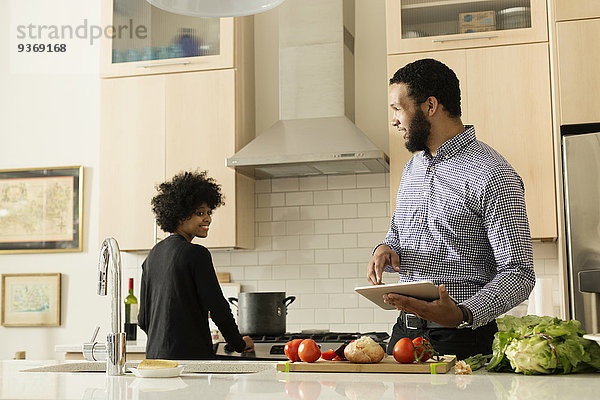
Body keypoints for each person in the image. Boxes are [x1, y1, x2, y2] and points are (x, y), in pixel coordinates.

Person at [368, 58, 535, 359]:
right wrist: (385, 247)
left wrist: (462, 313)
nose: (394, 120)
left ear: (430, 106)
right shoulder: (412, 168)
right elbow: (398, 230)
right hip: (403, 334)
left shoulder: (492, 174)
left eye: (397, 108)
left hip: (462, 339)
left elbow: (520, 273)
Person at [138, 170, 254, 359]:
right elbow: (218, 308)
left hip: (155, 360)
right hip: (190, 360)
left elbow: (143, 319)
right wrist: (239, 343)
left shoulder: (153, 256)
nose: (207, 218)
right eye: (199, 213)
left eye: (209, 212)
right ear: (179, 215)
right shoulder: (196, 254)